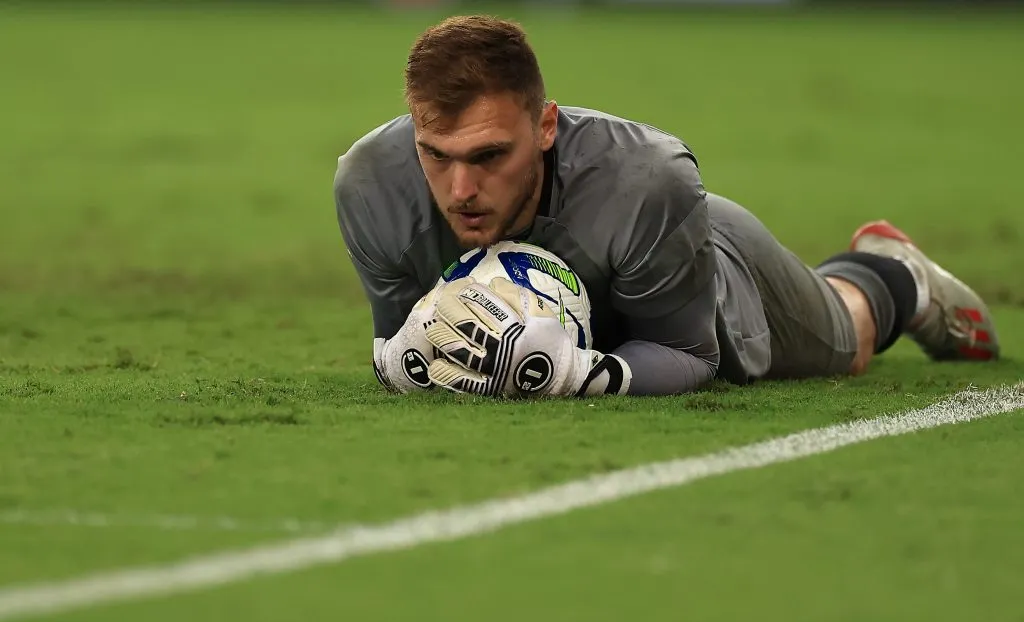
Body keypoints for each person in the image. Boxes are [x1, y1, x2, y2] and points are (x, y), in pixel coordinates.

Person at [334, 15, 999, 398]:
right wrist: (408, 360)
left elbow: (689, 354)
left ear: (545, 127)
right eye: (436, 154)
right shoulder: (372, 187)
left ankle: (893, 275)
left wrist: (574, 375)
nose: (459, 190)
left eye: (488, 156)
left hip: (696, 259)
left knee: (843, 343)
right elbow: (403, 345)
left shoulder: (649, 181)